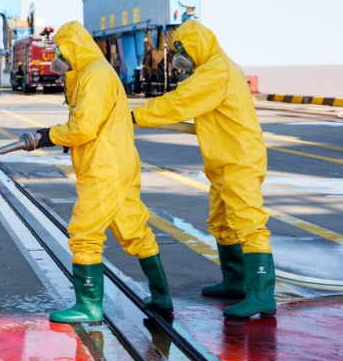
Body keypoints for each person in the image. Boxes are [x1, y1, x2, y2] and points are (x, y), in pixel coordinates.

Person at [25, 21, 172, 323]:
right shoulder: (91, 72)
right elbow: (89, 123)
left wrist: (49, 135)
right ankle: (161, 296)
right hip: (117, 162)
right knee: (134, 229)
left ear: (73, 47)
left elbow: (84, 127)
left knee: (84, 233)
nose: (59, 56)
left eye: (61, 49)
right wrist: (67, 138)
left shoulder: (94, 75)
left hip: (104, 167)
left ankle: (89, 305)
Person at [132, 20, 275, 319]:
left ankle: (262, 295)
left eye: (182, 50)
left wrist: (134, 115)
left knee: (247, 223)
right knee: (222, 222)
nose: (179, 57)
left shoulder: (217, 71)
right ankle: (235, 281)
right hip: (223, 159)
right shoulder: (211, 70)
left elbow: (179, 103)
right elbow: (187, 104)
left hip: (239, 159)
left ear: (197, 45)